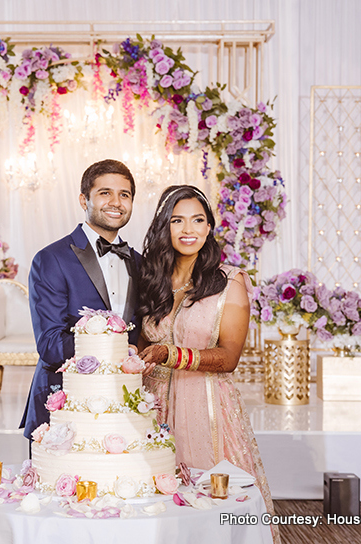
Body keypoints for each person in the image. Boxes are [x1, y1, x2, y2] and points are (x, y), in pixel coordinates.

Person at [137, 184, 279, 543]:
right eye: (178, 220)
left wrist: (171, 354)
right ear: (164, 228)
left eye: (198, 220)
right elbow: (140, 345)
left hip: (205, 405)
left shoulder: (230, 281)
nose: (189, 229)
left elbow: (229, 356)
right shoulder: (152, 281)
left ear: (209, 227)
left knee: (210, 503)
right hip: (152, 409)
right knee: (157, 502)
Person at [20, 159, 142, 444]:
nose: (116, 202)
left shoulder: (139, 263)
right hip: (62, 403)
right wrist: (114, 350)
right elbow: (50, 344)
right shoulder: (51, 259)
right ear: (83, 199)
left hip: (123, 406)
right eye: (105, 193)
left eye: (124, 195)